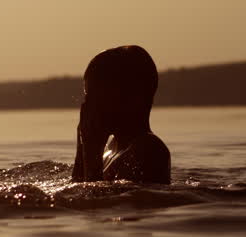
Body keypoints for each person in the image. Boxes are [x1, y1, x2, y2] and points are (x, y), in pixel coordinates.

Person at [71, 45, 171, 184]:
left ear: (133, 98)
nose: (88, 107)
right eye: (88, 97)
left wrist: (92, 152)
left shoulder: (149, 150)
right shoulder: (110, 148)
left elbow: (96, 202)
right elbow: (78, 188)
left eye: (97, 97)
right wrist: (82, 147)